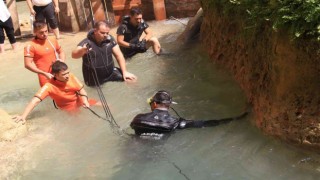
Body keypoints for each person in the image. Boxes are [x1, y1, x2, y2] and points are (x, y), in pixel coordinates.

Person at [130, 90, 248, 136]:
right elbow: (206, 123)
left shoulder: (138, 119)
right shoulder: (176, 123)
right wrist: (236, 118)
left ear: (154, 104)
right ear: (169, 105)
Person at [13, 61, 94, 124]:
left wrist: (85, 100)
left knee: (102, 105)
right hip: (68, 108)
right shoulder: (49, 86)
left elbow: (81, 90)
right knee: (82, 122)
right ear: (55, 75)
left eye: (68, 72)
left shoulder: (71, 76)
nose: (67, 76)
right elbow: (35, 100)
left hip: (80, 101)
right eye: (64, 74)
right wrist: (23, 116)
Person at [71, 20, 137, 87]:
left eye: (107, 33)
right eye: (102, 33)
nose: (105, 35)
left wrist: (124, 72)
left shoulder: (110, 39)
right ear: (95, 31)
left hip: (110, 73)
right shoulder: (87, 42)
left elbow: (119, 55)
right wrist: (82, 51)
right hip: (94, 78)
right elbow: (73, 55)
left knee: (132, 79)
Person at [24, 21, 65, 87]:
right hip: (45, 77)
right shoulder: (30, 46)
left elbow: (61, 52)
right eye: (41, 32)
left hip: (59, 73)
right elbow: (27, 64)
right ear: (35, 32)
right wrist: (44, 73)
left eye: (46, 31)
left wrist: (62, 61)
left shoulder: (52, 40)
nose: (45, 34)